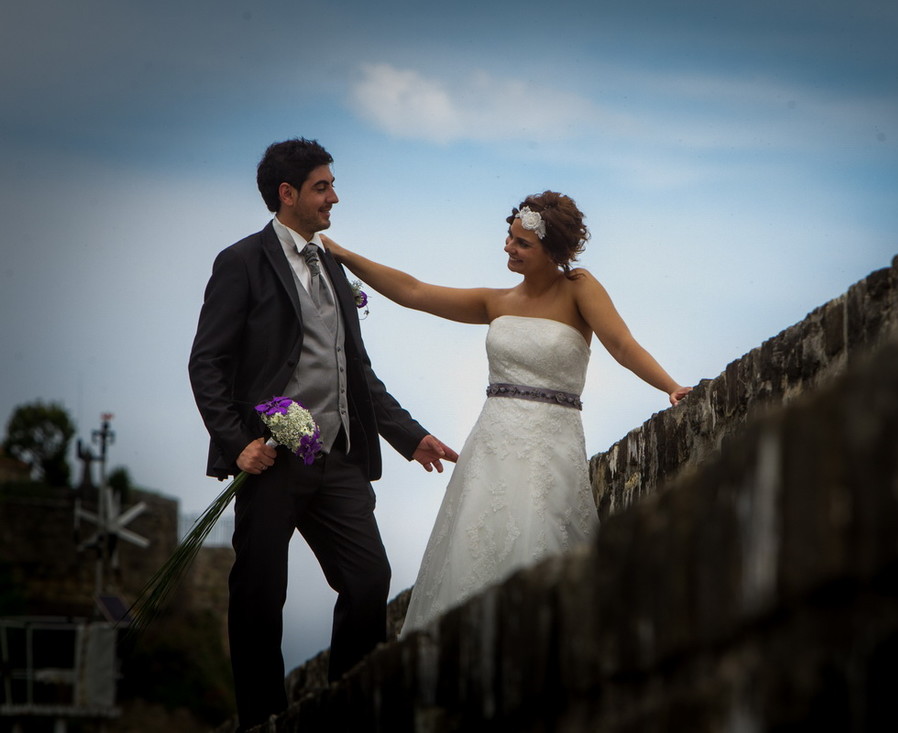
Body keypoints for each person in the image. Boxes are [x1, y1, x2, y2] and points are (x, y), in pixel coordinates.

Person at [321, 190, 692, 634]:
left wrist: (670, 386)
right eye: (508, 237)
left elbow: (622, 344)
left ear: (552, 251)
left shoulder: (580, 289)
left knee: (542, 546)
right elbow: (414, 292)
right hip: (491, 447)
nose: (508, 248)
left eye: (522, 243)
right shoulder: (495, 302)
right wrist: (341, 254)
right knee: (474, 554)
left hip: (552, 445)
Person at [188, 138, 457, 731]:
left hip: (338, 454)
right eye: (322, 186)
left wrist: (410, 437)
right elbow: (207, 364)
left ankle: (345, 709)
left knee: (369, 580)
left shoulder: (332, 267)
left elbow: (354, 370)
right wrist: (238, 444)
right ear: (288, 195)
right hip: (272, 456)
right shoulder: (241, 262)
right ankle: (262, 720)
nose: (334, 196)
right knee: (260, 594)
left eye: (331, 184)